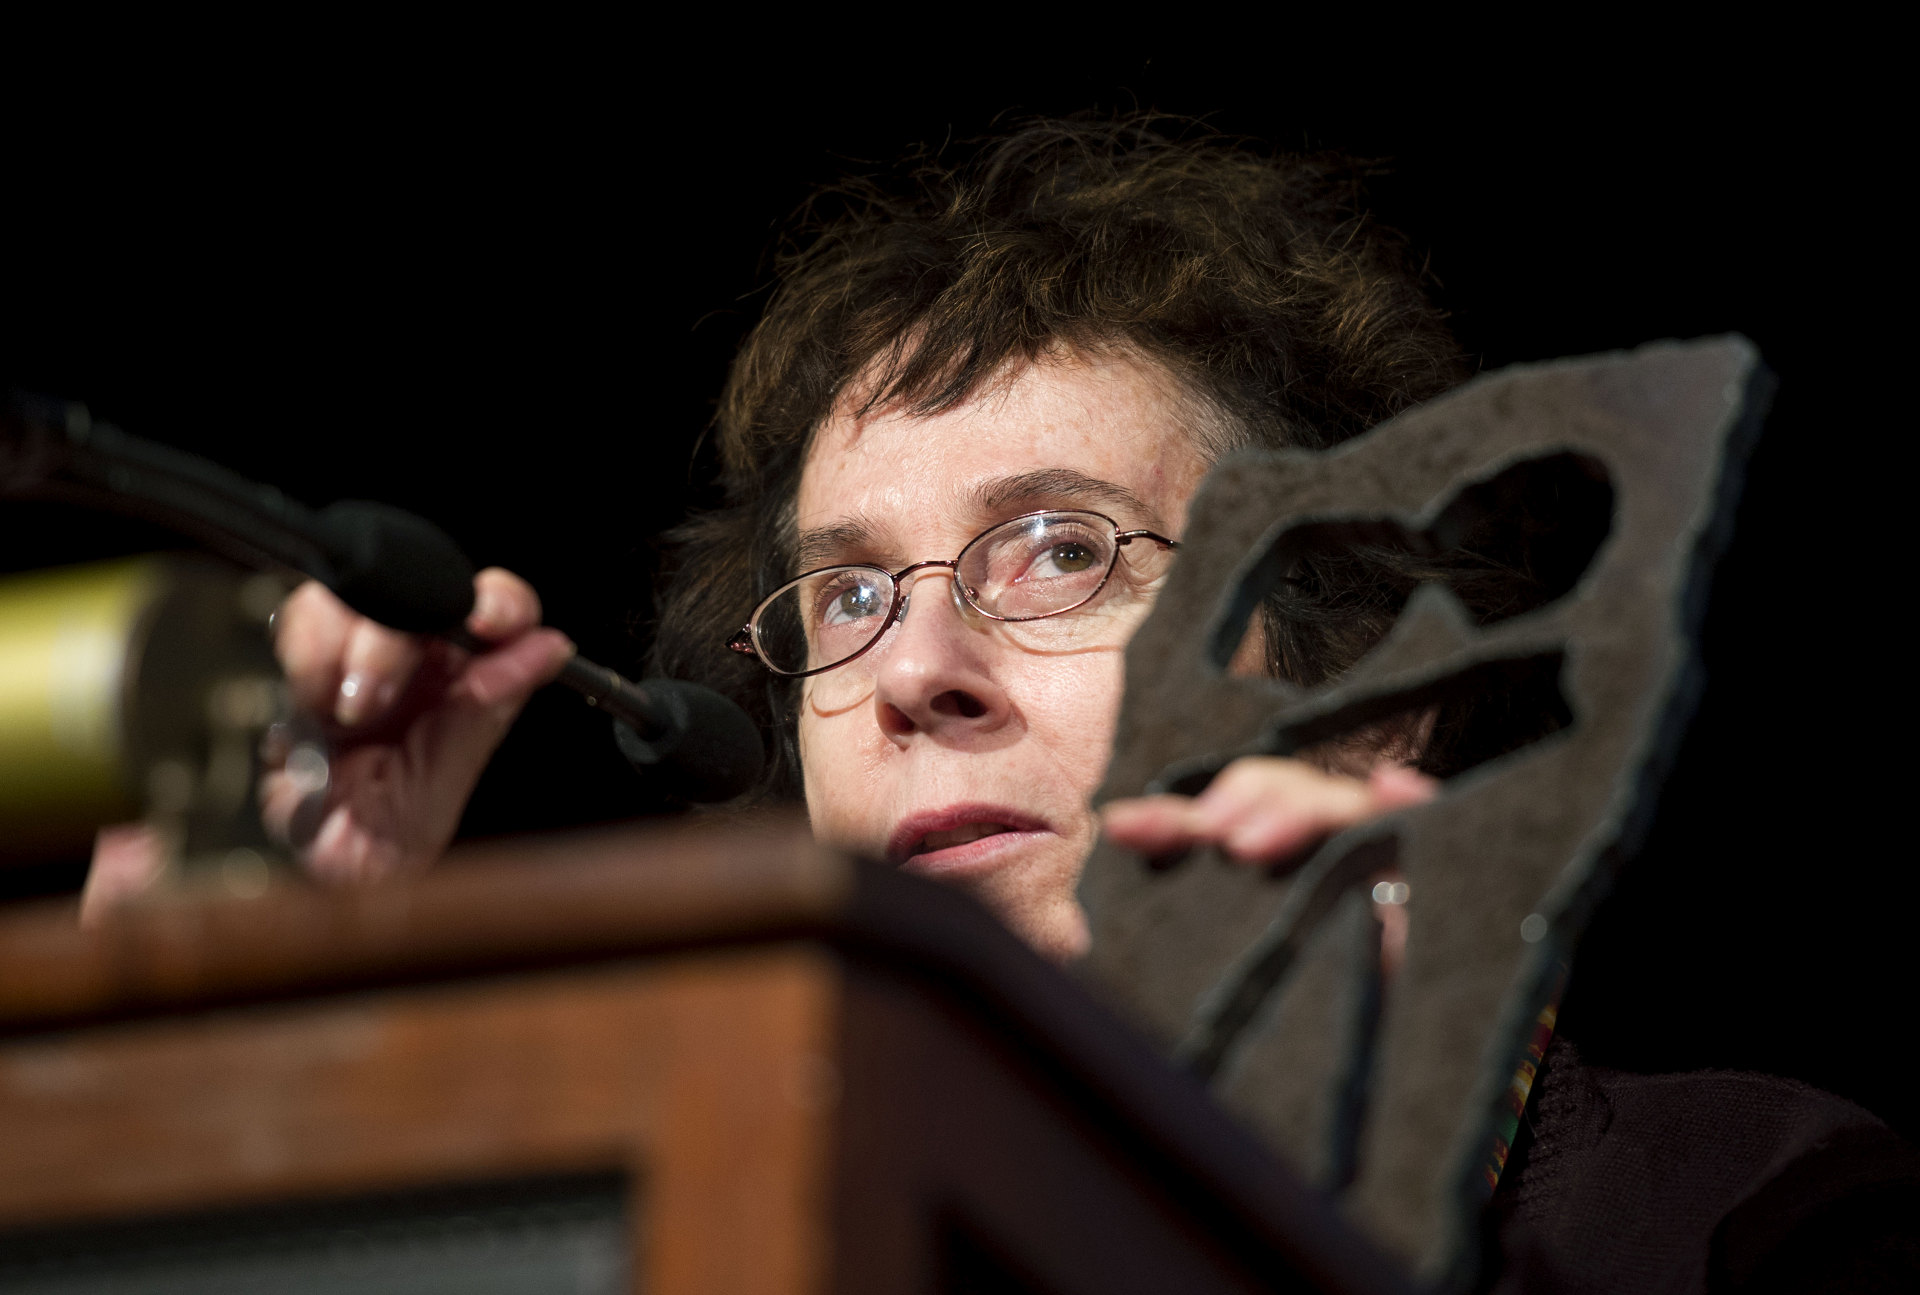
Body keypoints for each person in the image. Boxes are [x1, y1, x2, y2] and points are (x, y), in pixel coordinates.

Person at [81, 117, 1918, 1289]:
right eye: (847, 595)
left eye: (1059, 554)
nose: (910, 674)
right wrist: (211, 1045)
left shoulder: (1750, 1229)